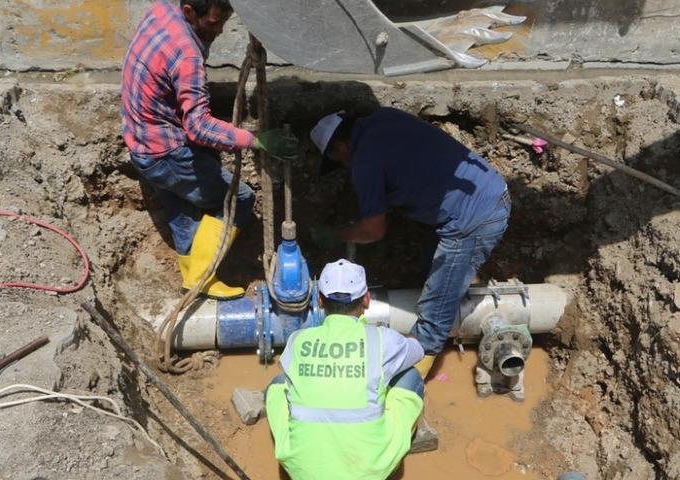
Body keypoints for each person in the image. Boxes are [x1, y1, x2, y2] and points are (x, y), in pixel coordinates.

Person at [309, 107, 511, 378]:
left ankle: (409, 383)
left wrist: (337, 235)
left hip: (471, 220)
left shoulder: (365, 161)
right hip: (481, 192)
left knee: (433, 317)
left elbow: (373, 229)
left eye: (341, 161)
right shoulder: (384, 118)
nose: (346, 168)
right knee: (428, 277)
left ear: (341, 146)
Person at [121, 0, 296, 299]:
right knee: (239, 199)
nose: (220, 31)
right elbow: (199, 127)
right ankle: (202, 277)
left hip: (140, 141)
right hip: (165, 152)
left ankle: (194, 281)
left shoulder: (162, 9)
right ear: (189, 11)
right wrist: (257, 140)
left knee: (182, 212)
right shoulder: (187, 55)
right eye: (213, 24)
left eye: (224, 21)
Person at [265, 259, 425, 480]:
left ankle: (301, 455)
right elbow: (418, 351)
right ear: (367, 299)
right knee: (410, 376)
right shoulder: (381, 340)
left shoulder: (298, 340)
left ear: (320, 301)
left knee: (278, 384)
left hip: (304, 473)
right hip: (369, 471)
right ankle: (391, 449)